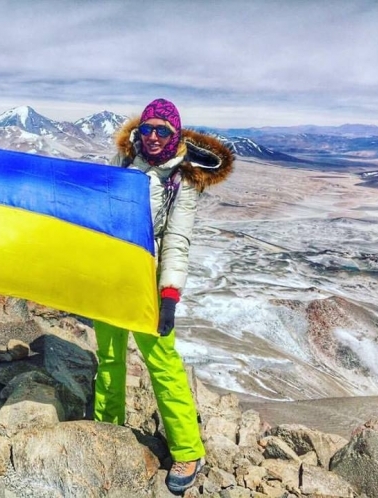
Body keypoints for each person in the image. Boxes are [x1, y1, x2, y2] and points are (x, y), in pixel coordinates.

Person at [93, 98, 234, 494]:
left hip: (147, 279)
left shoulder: (183, 179)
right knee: (107, 356)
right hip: (111, 275)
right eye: (148, 129)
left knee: (162, 362)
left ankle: (188, 449)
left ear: (175, 135)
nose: (153, 137)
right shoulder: (123, 162)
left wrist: (169, 294)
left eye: (162, 131)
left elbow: (176, 240)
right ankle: (107, 428)